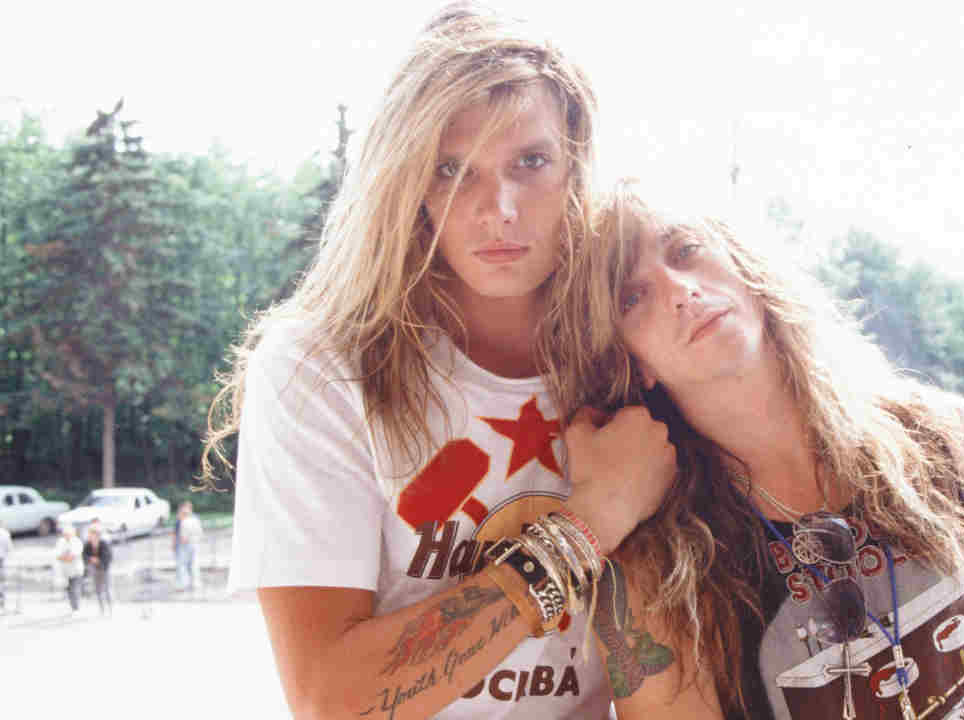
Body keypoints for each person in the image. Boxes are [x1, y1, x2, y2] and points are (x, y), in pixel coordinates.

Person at [200, 4, 674, 719]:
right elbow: (332, 701)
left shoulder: (630, 350)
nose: (498, 208)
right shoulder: (319, 368)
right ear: (409, 184)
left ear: (577, 166)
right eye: (452, 170)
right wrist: (589, 524)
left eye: (531, 162)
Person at [542, 183, 964, 719]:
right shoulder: (654, 573)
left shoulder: (943, 436)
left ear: (743, 263)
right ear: (632, 362)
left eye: (686, 250)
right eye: (632, 297)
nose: (679, 290)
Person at [53, 524, 85, 615]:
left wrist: (65, 557)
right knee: (69, 590)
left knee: (74, 589)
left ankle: (76, 608)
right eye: (65, 534)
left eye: (68, 534)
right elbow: (57, 555)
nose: (66, 535)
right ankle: (73, 607)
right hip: (65, 571)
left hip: (76, 570)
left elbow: (72, 556)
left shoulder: (77, 542)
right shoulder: (61, 542)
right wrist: (65, 557)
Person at [83, 521, 113, 615]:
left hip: (104, 569)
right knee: (98, 590)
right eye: (91, 534)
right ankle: (102, 609)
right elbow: (84, 556)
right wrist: (91, 560)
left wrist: (98, 560)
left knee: (107, 589)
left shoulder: (104, 544)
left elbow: (107, 557)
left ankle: (110, 608)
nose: (92, 536)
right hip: (94, 569)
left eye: (93, 533)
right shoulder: (88, 544)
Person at [174, 501, 203, 591]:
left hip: (185, 545)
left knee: (182, 564)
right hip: (195, 544)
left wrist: (177, 543)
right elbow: (200, 532)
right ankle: (196, 583)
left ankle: (183, 584)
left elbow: (182, 537)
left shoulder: (183, 520)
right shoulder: (196, 519)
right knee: (194, 564)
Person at [0, 518, 12, 612]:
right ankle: (2, 601)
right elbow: (9, 548)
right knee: (1, 581)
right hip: (1, 559)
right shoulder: (4, 533)